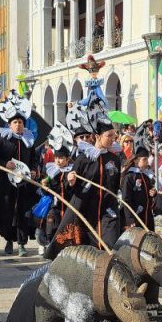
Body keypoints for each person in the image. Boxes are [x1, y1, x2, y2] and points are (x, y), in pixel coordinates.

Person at [44, 101, 122, 259]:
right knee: (87, 249)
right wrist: (71, 180)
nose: (112, 139)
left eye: (114, 136)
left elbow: (115, 184)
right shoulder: (83, 159)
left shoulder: (114, 159)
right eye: (109, 136)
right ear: (97, 136)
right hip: (86, 210)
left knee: (110, 243)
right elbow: (68, 184)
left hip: (108, 209)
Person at [0, 105, 39, 256]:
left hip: (24, 184)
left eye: (21, 122)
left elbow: (34, 160)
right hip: (6, 184)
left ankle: (22, 244)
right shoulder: (2, 140)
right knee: (8, 211)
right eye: (15, 122)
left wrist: (34, 170)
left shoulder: (29, 141)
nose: (18, 125)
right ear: (9, 125)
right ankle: (9, 241)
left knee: (23, 212)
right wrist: (5, 164)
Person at [120, 146, 156, 230]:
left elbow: (150, 191)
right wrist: (129, 218)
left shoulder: (145, 176)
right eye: (144, 159)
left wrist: (154, 192)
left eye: (147, 159)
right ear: (136, 160)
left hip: (147, 214)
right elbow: (126, 199)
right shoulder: (129, 177)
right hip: (135, 215)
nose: (147, 162)